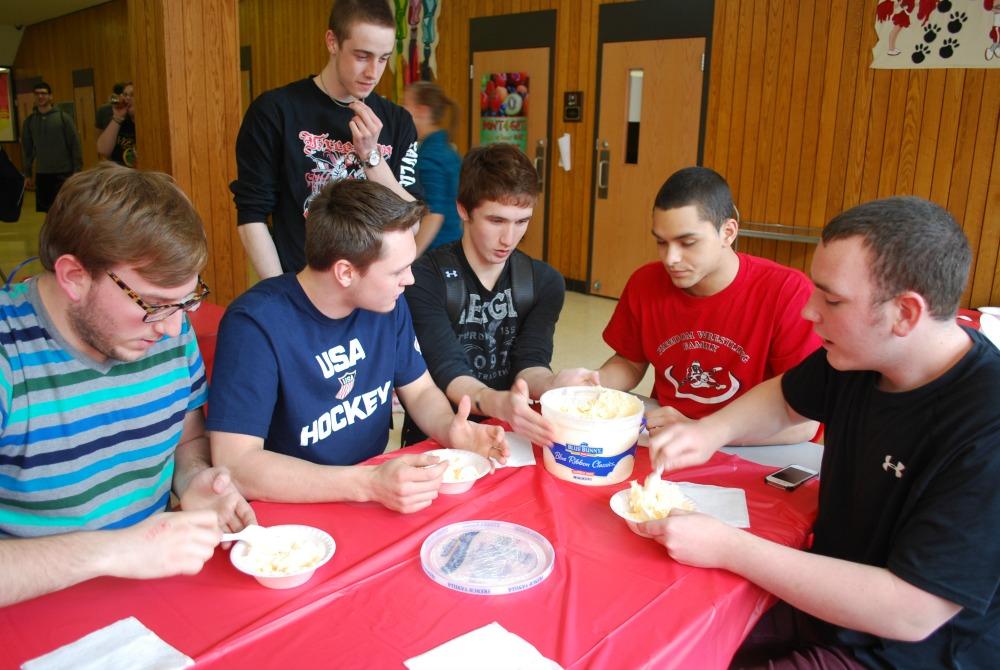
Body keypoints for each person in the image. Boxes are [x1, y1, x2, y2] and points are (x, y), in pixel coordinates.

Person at [643, 196, 1000, 668]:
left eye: (831, 299)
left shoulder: (984, 427)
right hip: (827, 596)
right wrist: (710, 430)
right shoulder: (858, 355)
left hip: (907, 649)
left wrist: (729, 547)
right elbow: (786, 398)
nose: (810, 312)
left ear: (906, 314)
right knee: (668, 631)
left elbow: (912, 611)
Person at [0, 164, 255, 607]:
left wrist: (192, 479)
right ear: (74, 277)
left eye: (187, 302)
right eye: (154, 304)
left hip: (151, 594)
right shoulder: (10, 358)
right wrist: (117, 551)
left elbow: (187, 437)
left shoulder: (166, 330)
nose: (175, 328)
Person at [207, 179, 507, 512]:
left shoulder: (386, 304)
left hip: (373, 483)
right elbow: (236, 463)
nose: (410, 280)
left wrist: (452, 433)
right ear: (346, 273)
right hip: (291, 505)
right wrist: (367, 484)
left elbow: (420, 391)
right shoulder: (255, 325)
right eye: (398, 271)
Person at [595, 167, 820, 445]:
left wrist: (704, 431)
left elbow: (804, 424)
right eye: (661, 243)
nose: (671, 258)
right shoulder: (645, 282)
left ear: (728, 232)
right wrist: (595, 383)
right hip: (668, 438)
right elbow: (629, 361)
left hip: (755, 445)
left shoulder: (788, 292)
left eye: (687, 242)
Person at [403, 143, 593, 448]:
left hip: (511, 438)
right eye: (496, 221)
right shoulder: (423, 278)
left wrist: (552, 385)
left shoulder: (543, 283)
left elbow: (530, 362)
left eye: (522, 221)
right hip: (438, 439)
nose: (509, 238)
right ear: (463, 209)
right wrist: (497, 401)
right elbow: (447, 369)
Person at [231, 0, 420, 279]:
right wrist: (282, 294)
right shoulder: (275, 111)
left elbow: (411, 224)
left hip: (373, 290)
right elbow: (251, 215)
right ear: (332, 42)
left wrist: (371, 157)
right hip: (303, 284)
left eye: (383, 58)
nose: (373, 72)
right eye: (362, 56)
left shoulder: (398, 121)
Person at [402, 81, 463, 254]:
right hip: (450, 245)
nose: (401, 111)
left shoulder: (431, 155)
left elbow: (434, 215)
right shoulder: (445, 149)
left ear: (422, 111)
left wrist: (409, 259)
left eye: (405, 106)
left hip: (436, 252)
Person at [20, 82, 83, 212]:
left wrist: (77, 171)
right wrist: (27, 174)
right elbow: (27, 150)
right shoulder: (30, 121)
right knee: (48, 212)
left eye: (43, 93)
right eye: (37, 94)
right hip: (42, 174)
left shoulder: (63, 118)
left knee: (66, 210)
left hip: (64, 173)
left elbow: (75, 145)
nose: (40, 96)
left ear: (50, 97)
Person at [95, 81, 136, 167]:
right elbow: (102, 150)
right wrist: (118, 116)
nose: (127, 98)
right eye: (125, 95)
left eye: (132, 95)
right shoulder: (120, 120)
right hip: (120, 175)